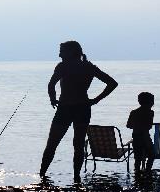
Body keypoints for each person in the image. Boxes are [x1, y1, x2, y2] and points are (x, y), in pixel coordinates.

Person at [39, 41, 118, 183]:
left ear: (71, 52)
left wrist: (53, 99)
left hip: (65, 109)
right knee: (78, 145)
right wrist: (95, 100)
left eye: (62, 51)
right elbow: (112, 83)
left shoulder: (62, 66)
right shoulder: (89, 67)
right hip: (83, 108)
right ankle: (76, 177)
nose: (59, 54)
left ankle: (42, 175)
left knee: (52, 143)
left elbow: (51, 84)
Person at [126, 92, 155, 174]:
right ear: (150, 103)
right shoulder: (150, 112)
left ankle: (137, 173)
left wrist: (136, 125)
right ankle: (148, 170)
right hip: (145, 137)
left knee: (137, 158)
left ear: (139, 101)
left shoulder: (133, 112)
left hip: (135, 137)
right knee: (151, 155)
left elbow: (128, 125)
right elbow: (149, 126)